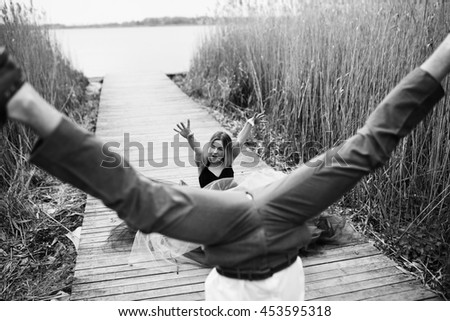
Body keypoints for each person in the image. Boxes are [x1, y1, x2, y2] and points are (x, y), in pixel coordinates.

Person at [1, 33, 450, 300]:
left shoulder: (231, 182)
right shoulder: (245, 182)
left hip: (240, 226)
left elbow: (364, 150)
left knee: (139, 195)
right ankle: (26, 104)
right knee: (361, 152)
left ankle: (26, 103)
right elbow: (367, 147)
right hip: (270, 214)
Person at [174, 114, 264, 188]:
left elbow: (239, 141)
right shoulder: (203, 163)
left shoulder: (229, 159)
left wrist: (249, 123)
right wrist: (190, 137)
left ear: (226, 152)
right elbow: (197, 150)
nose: (215, 151)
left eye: (220, 149)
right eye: (213, 146)